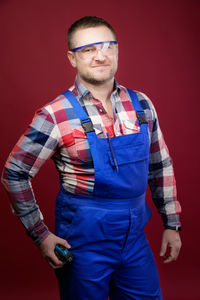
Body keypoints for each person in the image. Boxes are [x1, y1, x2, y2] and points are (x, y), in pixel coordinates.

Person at [2, 16, 182, 300]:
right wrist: (41, 235)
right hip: (83, 242)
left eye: (109, 46)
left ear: (118, 52)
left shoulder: (142, 104)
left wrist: (171, 223)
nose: (101, 55)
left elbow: (159, 164)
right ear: (72, 58)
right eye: (89, 49)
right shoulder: (55, 113)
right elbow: (14, 172)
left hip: (134, 239)